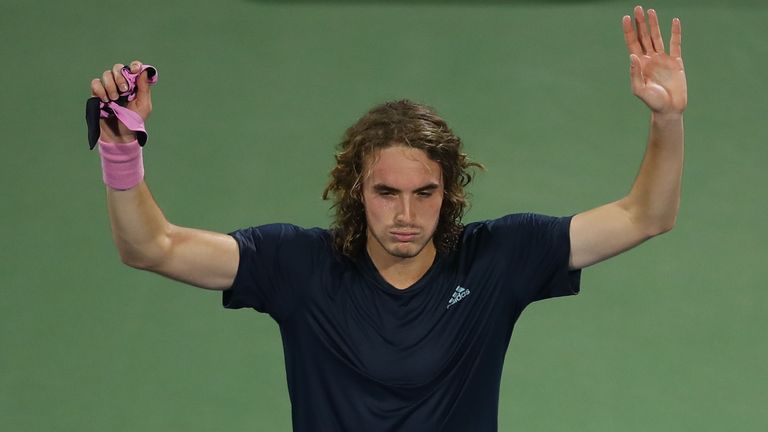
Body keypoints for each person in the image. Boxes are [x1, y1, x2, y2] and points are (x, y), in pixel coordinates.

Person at [89, 6, 686, 431]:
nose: (406, 215)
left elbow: (645, 215)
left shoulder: (499, 258)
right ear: (357, 189)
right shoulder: (295, 266)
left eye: (425, 193)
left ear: (449, 191)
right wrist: (121, 149)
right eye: (386, 192)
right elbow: (152, 247)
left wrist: (666, 120)